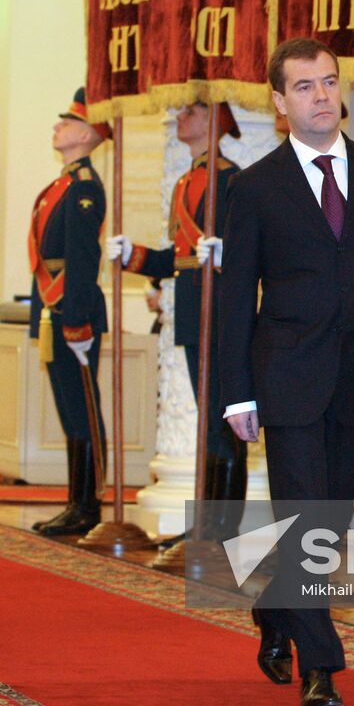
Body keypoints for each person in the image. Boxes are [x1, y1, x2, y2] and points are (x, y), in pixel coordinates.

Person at [219, 38, 354, 706]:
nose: (321, 96)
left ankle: (276, 609)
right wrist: (234, 394)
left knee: (327, 517)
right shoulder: (253, 188)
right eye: (305, 86)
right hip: (286, 376)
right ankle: (322, 665)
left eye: (329, 82)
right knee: (306, 512)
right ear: (280, 102)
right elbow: (233, 301)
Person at [106, 101, 245, 547]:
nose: (181, 117)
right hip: (190, 308)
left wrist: (225, 253)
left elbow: (247, 251)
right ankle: (207, 524)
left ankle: (223, 529)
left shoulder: (231, 177)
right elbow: (177, 258)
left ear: (214, 121)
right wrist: (134, 256)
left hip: (220, 308)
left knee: (225, 421)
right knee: (210, 420)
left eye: (193, 111)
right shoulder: (188, 179)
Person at [29, 88, 111, 536]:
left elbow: (82, 259)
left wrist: (76, 318)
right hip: (53, 308)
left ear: (85, 134)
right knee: (68, 407)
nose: (57, 128)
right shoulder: (61, 186)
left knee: (82, 409)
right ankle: (74, 501)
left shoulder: (82, 188)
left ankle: (88, 504)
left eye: (66, 122)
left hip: (71, 311)